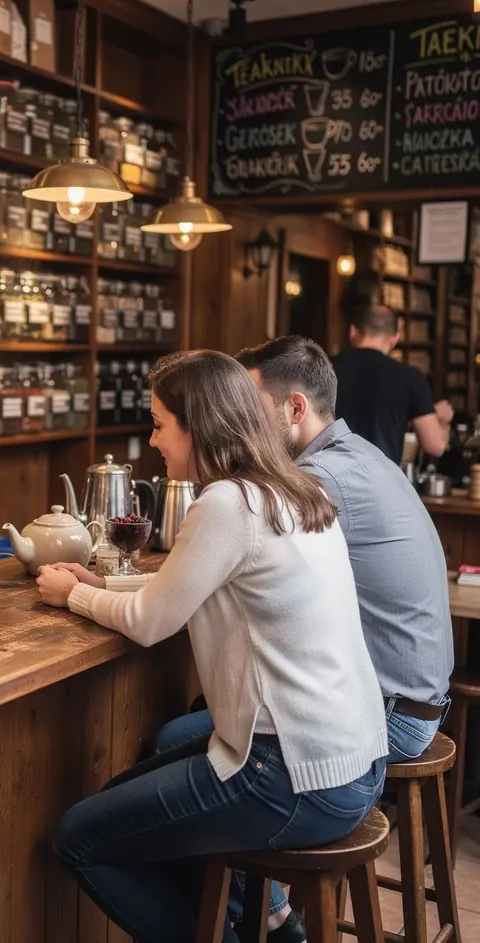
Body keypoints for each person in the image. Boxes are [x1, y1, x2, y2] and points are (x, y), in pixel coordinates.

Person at [35, 350, 387, 943]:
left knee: (80, 836)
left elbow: (150, 622)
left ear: (196, 424)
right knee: (127, 804)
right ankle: (274, 927)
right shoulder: (290, 488)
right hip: (355, 763)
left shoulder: (227, 503)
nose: (153, 441)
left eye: (159, 424)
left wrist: (74, 594)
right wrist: (104, 584)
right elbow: (195, 584)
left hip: (292, 777)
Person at [156, 336, 455, 942]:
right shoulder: (359, 454)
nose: (237, 417)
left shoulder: (313, 479)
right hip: (412, 702)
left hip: (387, 718)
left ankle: (264, 916)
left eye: (251, 403)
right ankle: (256, 910)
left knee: (183, 738)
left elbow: (211, 573)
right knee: (206, 724)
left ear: (294, 409)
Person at [332, 304, 453, 464]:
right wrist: (441, 421)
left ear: (353, 332)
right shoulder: (410, 377)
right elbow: (435, 446)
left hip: (325, 475)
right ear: (394, 339)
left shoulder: (324, 368)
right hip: (381, 478)